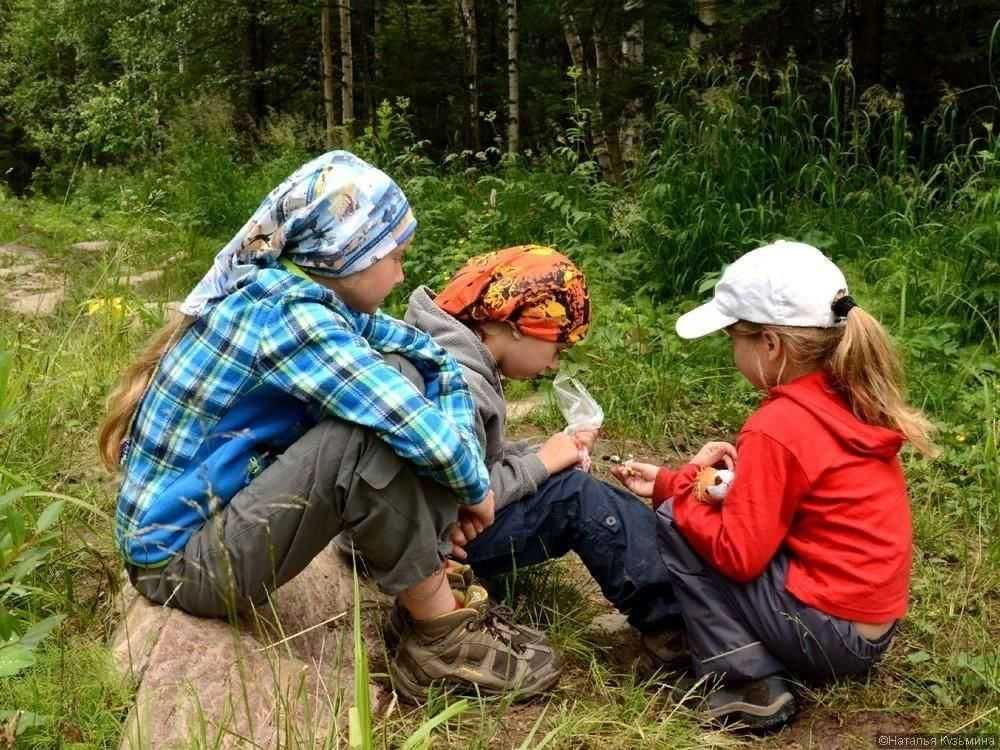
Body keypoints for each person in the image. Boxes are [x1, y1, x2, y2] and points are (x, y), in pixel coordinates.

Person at [98, 151, 560, 702]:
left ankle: (427, 577)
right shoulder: (290, 316)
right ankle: (436, 639)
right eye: (397, 256)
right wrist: (476, 489)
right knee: (366, 437)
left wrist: (459, 476)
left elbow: (434, 361)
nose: (403, 273)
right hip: (180, 568)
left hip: (220, 524)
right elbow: (413, 426)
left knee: (402, 374)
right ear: (351, 255)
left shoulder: (312, 296)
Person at [612, 240, 935, 730]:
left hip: (831, 639)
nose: (731, 351)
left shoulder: (777, 426)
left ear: (770, 345)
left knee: (677, 520)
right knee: (686, 507)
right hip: (870, 633)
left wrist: (678, 496)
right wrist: (673, 479)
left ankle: (747, 683)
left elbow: (739, 554)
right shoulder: (844, 397)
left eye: (733, 338)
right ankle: (755, 657)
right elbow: (763, 499)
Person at [356, 245, 684, 666]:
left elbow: (470, 460)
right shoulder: (459, 380)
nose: (552, 365)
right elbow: (459, 496)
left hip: (416, 528)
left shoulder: (444, 351)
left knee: (566, 482)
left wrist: (543, 452)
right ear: (508, 324)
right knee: (575, 497)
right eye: (556, 347)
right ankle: (676, 622)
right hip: (428, 543)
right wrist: (542, 462)